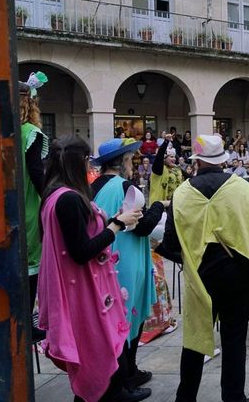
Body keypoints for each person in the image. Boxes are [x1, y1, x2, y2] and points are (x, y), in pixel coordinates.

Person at [160, 134, 249, 402]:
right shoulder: (240, 187)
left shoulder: (181, 193)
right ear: (223, 160)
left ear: (196, 161)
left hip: (200, 275)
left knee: (195, 338)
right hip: (238, 274)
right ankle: (234, 398)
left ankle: (185, 398)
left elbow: (171, 243)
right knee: (234, 337)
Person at [37, 136, 145, 402]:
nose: (90, 166)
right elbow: (81, 252)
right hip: (84, 295)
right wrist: (117, 224)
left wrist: (111, 221)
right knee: (99, 358)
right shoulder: (68, 199)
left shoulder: (55, 195)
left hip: (84, 291)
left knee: (107, 356)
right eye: (86, 160)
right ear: (77, 163)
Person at [91, 138, 169, 392]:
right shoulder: (126, 187)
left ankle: (128, 373)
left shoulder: (92, 186)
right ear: (123, 161)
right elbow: (143, 226)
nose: (131, 164)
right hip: (127, 261)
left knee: (113, 320)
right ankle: (124, 380)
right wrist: (158, 206)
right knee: (128, 319)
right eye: (129, 159)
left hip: (104, 261)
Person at [19, 77, 49, 341]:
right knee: (30, 271)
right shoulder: (31, 133)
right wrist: (51, 199)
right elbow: (37, 173)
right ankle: (26, 326)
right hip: (28, 209)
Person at [149, 133, 184, 205]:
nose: (174, 159)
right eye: (171, 157)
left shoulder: (177, 169)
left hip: (174, 205)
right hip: (160, 206)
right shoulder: (158, 169)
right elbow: (159, 156)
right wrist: (166, 142)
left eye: (174, 157)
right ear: (164, 159)